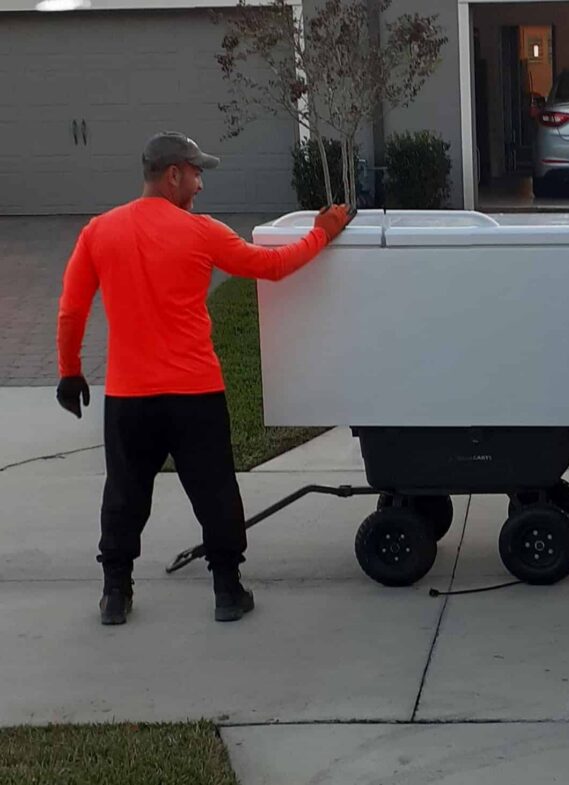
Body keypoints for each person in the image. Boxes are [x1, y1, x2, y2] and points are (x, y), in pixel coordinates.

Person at [55, 131, 353, 625]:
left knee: (125, 493)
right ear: (173, 175)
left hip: (129, 397)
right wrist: (323, 231)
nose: (200, 185)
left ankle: (115, 593)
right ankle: (227, 591)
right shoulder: (201, 232)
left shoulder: (99, 231)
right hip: (194, 392)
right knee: (214, 490)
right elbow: (272, 267)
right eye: (197, 174)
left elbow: (71, 310)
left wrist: (70, 373)